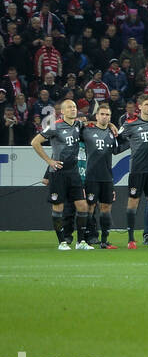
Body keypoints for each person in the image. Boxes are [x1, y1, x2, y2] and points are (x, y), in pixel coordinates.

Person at [30, 99, 94, 250]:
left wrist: (110, 124)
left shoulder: (78, 125)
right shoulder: (54, 126)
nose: (73, 109)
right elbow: (35, 142)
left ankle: (81, 242)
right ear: (62, 111)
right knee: (58, 207)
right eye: (69, 107)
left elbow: (93, 125)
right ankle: (62, 242)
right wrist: (49, 161)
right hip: (58, 172)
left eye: (74, 107)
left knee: (83, 206)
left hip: (74, 172)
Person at [117, 93, 148, 248]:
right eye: (146, 104)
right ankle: (131, 239)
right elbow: (116, 140)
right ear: (139, 106)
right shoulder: (129, 124)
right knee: (133, 203)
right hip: (137, 170)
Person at [81, 103, 119, 249]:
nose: (104, 117)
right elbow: (78, 126)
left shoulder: (112, 133)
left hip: (107, 177)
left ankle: (104, 240)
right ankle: (85, 239)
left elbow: (117, 149)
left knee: (105, 208)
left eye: (107, 115)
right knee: (89, 208)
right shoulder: (87, 131)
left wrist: (112, 125)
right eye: (102, 114)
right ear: (96, 116)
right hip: (91, 176)